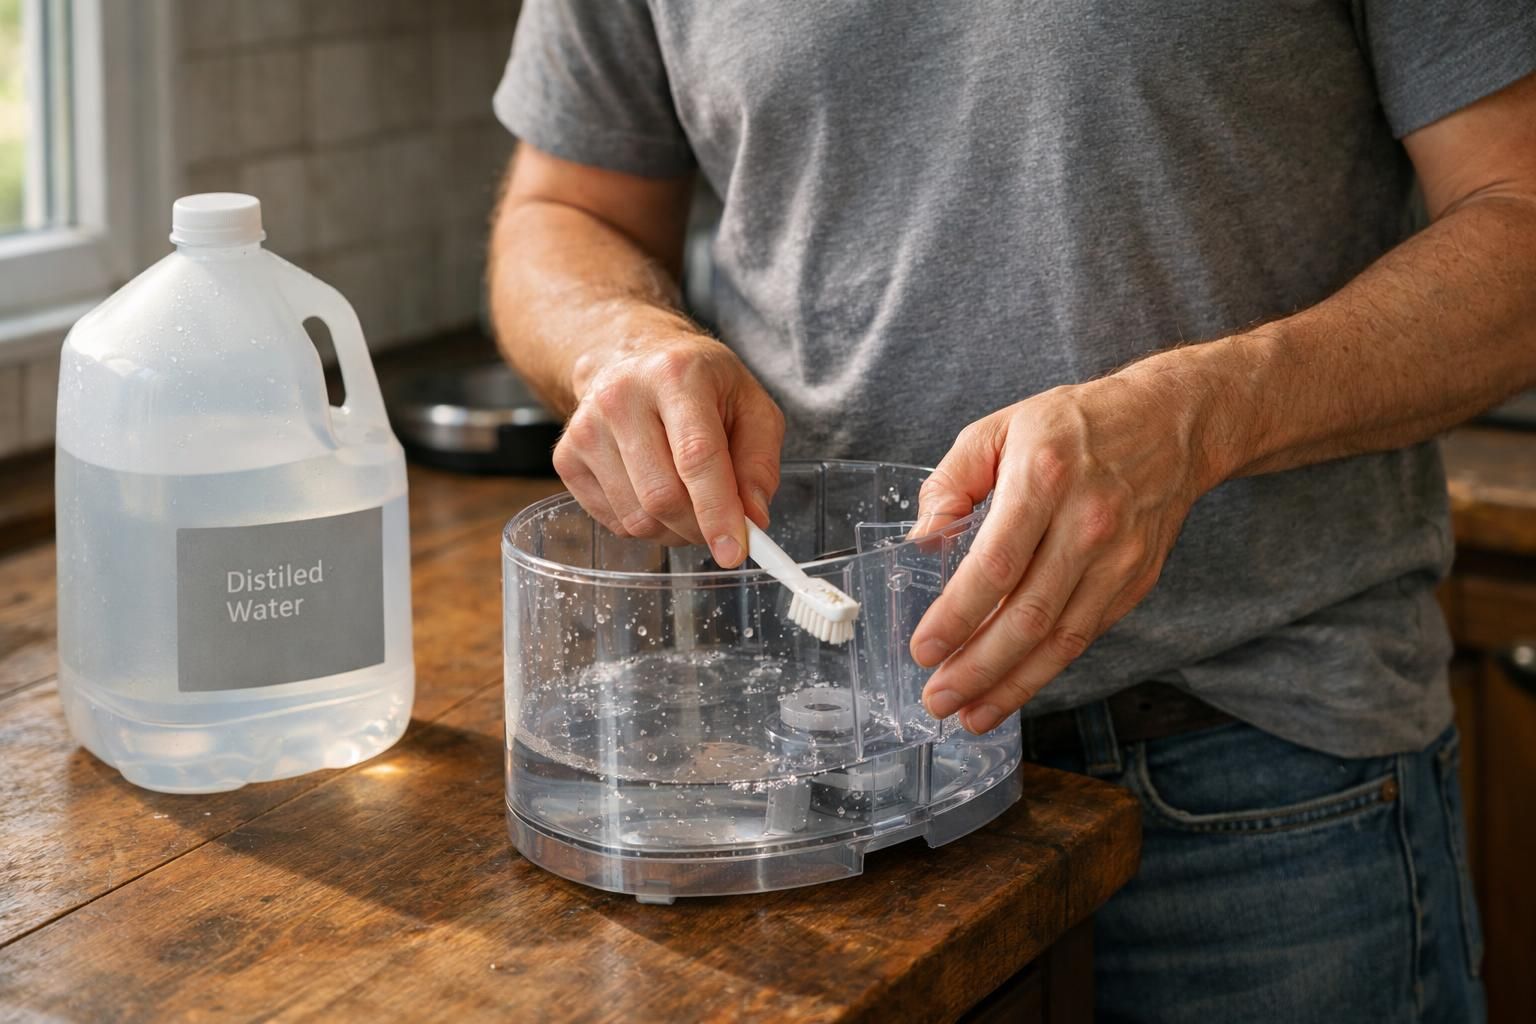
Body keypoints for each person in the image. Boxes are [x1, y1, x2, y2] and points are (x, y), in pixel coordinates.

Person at [487, 3, 1536, 1020]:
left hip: (1251, 769)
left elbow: (1518, 212)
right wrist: (612, 339)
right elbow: (564, 211)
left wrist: (1200, 418)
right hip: (807, 773)